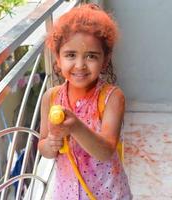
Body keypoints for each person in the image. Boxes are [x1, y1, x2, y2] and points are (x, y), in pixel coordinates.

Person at [38, 3, 132, 200]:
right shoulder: (51, 98)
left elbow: (106, 151)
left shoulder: (112, 98)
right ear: (58, 58)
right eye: (71, 55)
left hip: (107, 194)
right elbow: (43, 147)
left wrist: (76, 127)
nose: (80, 65)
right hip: (67, 194)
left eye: (91, 56)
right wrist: (51, 144)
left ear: (105, 60)